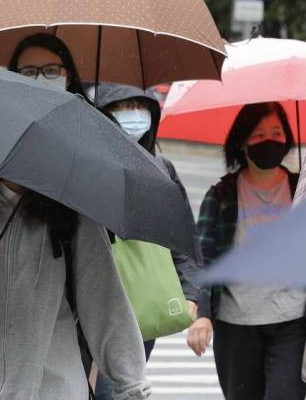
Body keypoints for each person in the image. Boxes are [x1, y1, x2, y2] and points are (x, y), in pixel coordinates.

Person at [0, 34, 151, 400]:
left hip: (52, 388)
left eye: (51, 70)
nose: (40, 79)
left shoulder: (72, 208)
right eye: (27, 71)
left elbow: (105, 308)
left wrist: (132, 389)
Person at [91, 82, 206, 400]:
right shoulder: (88, 165)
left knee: (120, 388)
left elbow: (182, 236)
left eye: (138, 108)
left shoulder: (161, 168)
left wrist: (192, 293)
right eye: (120, 109)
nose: (132, 117)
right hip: (95, 301)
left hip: (143, 302)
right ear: (103, 115)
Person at [189, 102, 305, 399]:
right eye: (259, 134)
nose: (269, 140)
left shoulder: (299, 190)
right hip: (236, 328)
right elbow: (203, 258)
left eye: (276, 132)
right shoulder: (221, 195)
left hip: (293, 324)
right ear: (242, 143)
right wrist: (202, 314)